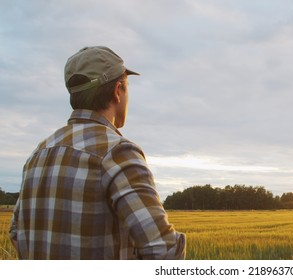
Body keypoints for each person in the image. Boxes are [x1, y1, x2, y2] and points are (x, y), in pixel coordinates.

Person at [9, 46, 186, 260]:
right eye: (127, 88)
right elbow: (163, 250)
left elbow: (16, 235)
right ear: (117, 91)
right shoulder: (118, 152)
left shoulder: (37, 154)